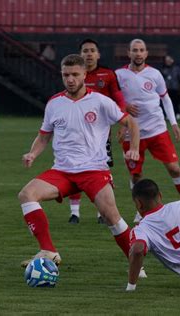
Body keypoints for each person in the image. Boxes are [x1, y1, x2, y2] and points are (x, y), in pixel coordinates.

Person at [18, 54, 140, 270]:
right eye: (66, 75)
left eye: (75, 74)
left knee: (112, 217)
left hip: (94, 171)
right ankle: (48, 250)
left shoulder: (101, 101)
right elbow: (44, 135)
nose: (70, 79)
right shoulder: (54, 103)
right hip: (63, 172)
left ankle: (137, 263)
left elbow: (131, 122)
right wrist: (32, 154)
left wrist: (134, 149)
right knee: (27, 194)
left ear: (85, 74)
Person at [116, 39, 180, 223]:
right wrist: (124, 109)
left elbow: (165, 99)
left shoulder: (155, 74)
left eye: (141, 50)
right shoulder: (119, 75)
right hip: (131, 133)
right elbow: (111, 99)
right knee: (135, 175)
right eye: (134, 50)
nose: (138, 53)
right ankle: (141, 210)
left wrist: (173, 123)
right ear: (129, 53)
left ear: (146, 53)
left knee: (174, 168)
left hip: (157, 130)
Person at [66, 38, 128, 225]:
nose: (89, 54)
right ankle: (74, 213)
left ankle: (101, 213)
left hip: (100, 136)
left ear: (98, 54)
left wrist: (123, 122)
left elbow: (119, 98)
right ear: (80, 55)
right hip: (75, 134)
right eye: (85, 50)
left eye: (92, 50)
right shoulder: (73, 75)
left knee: (100, 173)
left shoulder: (108, 74)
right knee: (72, 169)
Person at [161, 55, 180, 120]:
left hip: (175, 88)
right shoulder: (163, 69)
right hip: (167, 88)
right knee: (167, 102)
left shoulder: (177, 68)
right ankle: (167, 115)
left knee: (176, 102)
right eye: (166, 60)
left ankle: (177, 113)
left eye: (169, 60)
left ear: (172, 60)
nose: (168, 62)